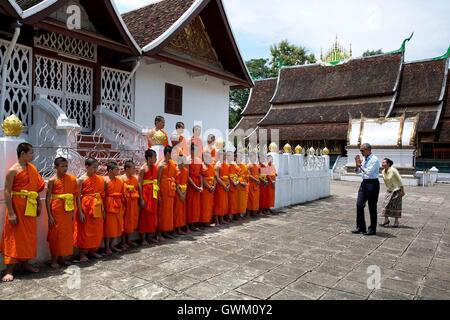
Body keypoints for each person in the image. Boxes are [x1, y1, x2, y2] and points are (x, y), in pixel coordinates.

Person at [1, 143, 45, 282]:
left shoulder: (32, 168)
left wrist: (39, 204)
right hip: (17, 208)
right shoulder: (13, 170)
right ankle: (9, 270)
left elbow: (36, 188)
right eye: (31, 153)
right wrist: (12, 213)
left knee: (28, 236)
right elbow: (7, 192)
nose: (33, 155)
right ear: (23, 154)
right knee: (13, 237)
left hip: (30, 207)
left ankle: (25, 264)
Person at [46, 157, 79, 269]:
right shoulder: (52, 180)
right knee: (55, 235)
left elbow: (75, 196)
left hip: (68, 210)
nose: (65, 168)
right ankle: (53, 259)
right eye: (62, 166)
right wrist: (49, 215)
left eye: (66, 166)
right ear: (56, 167)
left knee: (66, 235)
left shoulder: (72, 179)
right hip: (56, 210)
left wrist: (73, 212)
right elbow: (47, 198)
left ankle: (62, 258)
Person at [74, 158, 106, 262]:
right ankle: (82, 253)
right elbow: (78, 196)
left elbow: (101, 194)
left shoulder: (100, 179)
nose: (95, 170)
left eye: (96, 167)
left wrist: (103, 209)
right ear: (87, 167)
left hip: (97, 205)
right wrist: (80, 211)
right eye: (93, 167)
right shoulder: (81, 179)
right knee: (85, 230)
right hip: (86, 207)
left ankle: (93, 251)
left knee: (96, 229)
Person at [352, 143, 381, 236]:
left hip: (372, 183)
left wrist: (359, 164)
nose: (361, 152)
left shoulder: (374, 159)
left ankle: (372, 228)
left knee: (372, 206)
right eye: (360, 150)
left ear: (368, 150)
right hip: (364, 183)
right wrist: (357, 165)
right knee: (359, 204)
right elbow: (357, 172)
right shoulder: (364, 159)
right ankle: (361, 227)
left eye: (362, 150)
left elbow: (368, 172)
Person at [103, 162, 125, 255]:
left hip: (118, 205)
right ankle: (107, 247)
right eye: (116, 169)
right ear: (110, 170)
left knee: (115, 227)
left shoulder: (120, 180)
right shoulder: (105, 181)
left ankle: (112, 245)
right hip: (108, 205)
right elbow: (102, 195)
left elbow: (123, 192)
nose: (118, 171)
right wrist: (103, 209)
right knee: (108, 227)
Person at [138, 149, 159, 245]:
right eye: (154, 157)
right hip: (146, 194)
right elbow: (139, 184)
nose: (156, 159)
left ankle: (150, 236)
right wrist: (141, 198)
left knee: (152, 215)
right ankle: (143, 239)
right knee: (144, 216)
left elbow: (156, 181)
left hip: (153, 193)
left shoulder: (155, 167)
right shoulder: (143, 169)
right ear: (149, 158)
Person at [157, 146, 177, 240]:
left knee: (169, 212)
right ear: (168, 153)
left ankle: (167, 231)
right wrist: (158, 194)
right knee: (162, 212)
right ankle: (159, 234)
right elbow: (158, 180)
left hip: (171, 190)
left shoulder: (172, 163)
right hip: (163, 191)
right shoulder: (161, 165)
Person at [380, 158, 405, 228]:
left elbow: (400, 180)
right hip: (389, 190)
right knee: (385, 204)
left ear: (388, 164)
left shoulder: (393, 170)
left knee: (396, 206)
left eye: (384, 163)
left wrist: (402, 190)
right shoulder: (383, 171)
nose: (382, 164)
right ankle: (386, 220)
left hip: (397, 190)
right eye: (382, 163)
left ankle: (396, 221)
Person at [121, 160, 140, 248]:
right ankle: (123, 241)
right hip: (125, 204)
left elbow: (136, 189)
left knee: (132, 221)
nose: (134, 170)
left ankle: (128, 240)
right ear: (127, 169)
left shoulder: (134, 179)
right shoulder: (122, 179)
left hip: (133, 203)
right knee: (124, 222)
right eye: (133, 168)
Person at [186, 144, 203, 231]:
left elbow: (200, 174)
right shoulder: (187, 160)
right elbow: (187, 175)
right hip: (190, 185)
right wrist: (195, 186)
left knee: (195, 206)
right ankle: (188, 225)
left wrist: (201, 186)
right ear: (191, 151)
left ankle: (194, 224)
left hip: (197, 184)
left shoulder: (199, 160)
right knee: (189, 205)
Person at [214, 149, 230, 225]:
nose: (224, 156)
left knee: (224, 203)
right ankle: (217, 220)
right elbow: (217, 177)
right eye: (223, 155)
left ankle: (222, 218)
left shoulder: (226, 164)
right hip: (220, 186)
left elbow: (228, 176)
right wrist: (224, 185)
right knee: (218, 203)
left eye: (225, 155)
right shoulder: (217, 165)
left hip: (225, 185)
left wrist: (228, 184)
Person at [173, 155, 189, 235]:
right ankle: (176, 229)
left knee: (182, 211)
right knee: (177, 211)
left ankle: (180, 228)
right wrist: (181, 195)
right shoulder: (176, 171)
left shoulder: (185, 171)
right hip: (177, 193)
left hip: (183, 192)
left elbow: (186, 183)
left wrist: (184, 194)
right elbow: (175, 184)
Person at [201, 152, 216, 227]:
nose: (210, 159)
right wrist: (209, 187)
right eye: (208, 157)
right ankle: (204, 221)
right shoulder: (202, 166)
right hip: (205, 189)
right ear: (204, 158)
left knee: (210, 205)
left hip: (211, 188)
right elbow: (202, 179)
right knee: (205, 206)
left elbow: (214, 178)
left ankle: (208, 220)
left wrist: (213, 186)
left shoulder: (211, 167)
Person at [247, 151, 261, 218]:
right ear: (250, 157)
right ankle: (248, 213)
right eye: (253, 156)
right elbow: (249, 175)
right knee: (250, 199)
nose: (254, 158)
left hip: (256, 184)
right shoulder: (249, 165)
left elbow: (258, 174)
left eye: (255, 156)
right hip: (251, 184)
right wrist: (256, 180)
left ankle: (254, 212)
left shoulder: (256, 165)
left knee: (255, 199)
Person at [227, 150, 240, 221]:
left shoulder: (234, 165)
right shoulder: (226, 165)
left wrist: (237, 181)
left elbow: (236, 174)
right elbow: (228, 175)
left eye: (232, 156)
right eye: (229, 156)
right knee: (229, 202)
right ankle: (228, 216)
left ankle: (233, 215)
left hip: (235, 185)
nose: (231, 158)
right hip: (228, 185)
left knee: (234, 201)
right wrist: (233, 181)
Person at [237, 151, 249, 219]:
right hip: (237, 185)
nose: (240, 158)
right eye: (239, 157)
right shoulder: (234, 166)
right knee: (237, 201)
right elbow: (233, 175)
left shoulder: (244, 166)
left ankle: (241, 214)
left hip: (244, 186)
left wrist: (246, 182)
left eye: (241, 157)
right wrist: (240, 182)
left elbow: (247, 176)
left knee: (243, 201)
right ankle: (237, 215)